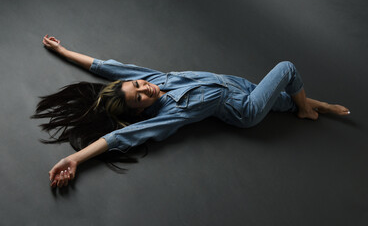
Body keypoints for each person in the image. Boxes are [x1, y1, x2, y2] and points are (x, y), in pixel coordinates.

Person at [36, 35, 350, 188]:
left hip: (239, 85)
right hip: (244, 108)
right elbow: (119, 137)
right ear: (140, 110)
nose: (147, 90)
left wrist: (63, 51)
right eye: (140, 98)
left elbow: (104, 66)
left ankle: (308, 106)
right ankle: (308, 109)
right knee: (287, 68)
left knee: (284, 99)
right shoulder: (168, 116)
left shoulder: (153, 78)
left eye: (139, 86)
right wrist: (74, 159)